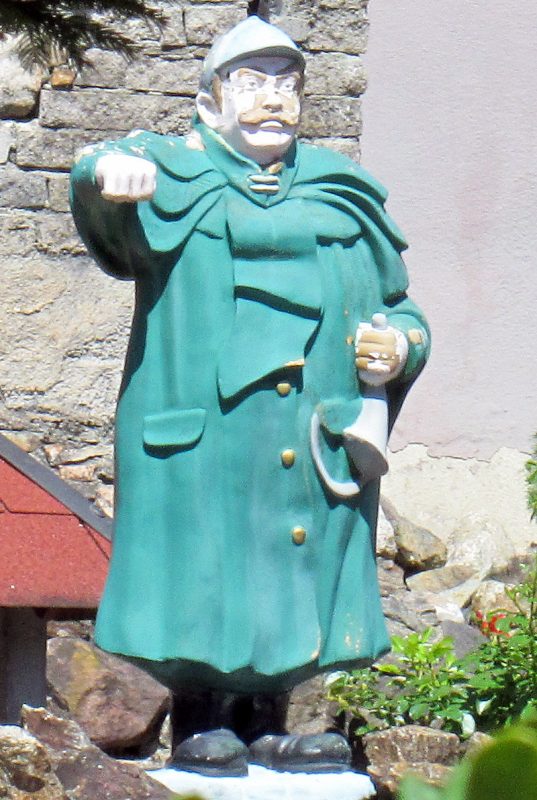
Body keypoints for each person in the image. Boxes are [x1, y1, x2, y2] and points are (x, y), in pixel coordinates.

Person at [70, 15, 430, 776]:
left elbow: (400, 310)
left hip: (307, 430)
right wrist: (104, 176)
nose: (274, 99)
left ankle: (268, 725)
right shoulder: (170, 176)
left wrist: (399, 347)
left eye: (287, 85)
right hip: (206, 434)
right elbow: (105, 194)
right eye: (252, 83)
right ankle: (199, 718)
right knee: (209, 567)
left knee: (287, 564)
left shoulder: (340, 193)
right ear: (210, 102)